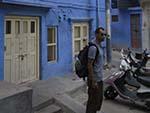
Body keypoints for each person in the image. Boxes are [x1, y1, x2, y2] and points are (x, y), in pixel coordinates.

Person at [86, 27, 106, 113]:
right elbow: (89, 65)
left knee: (98, 100)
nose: (103, 36)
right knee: (93, 102)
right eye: (102, 34)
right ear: (96, 34)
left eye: (104, 34)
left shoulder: (99, 46)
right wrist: (93, 81)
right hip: (95, 79)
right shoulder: (93, 48)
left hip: (99, 78)